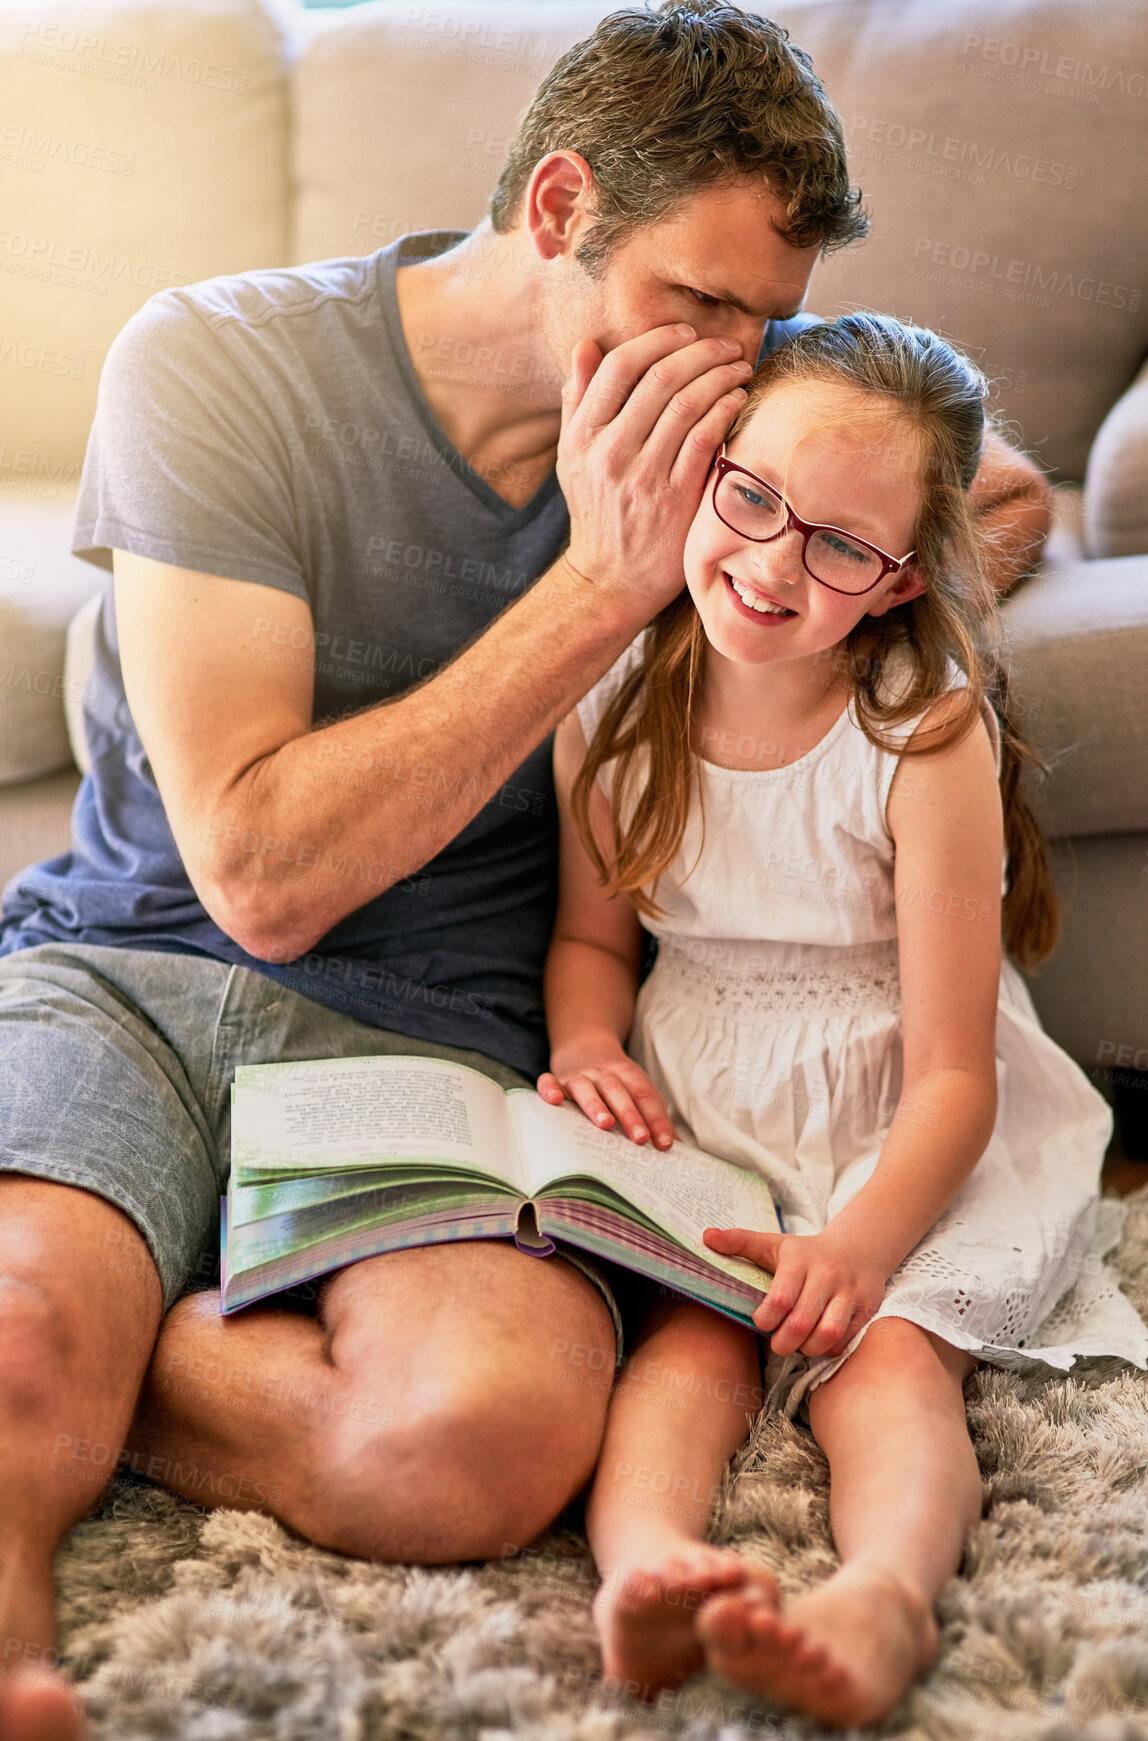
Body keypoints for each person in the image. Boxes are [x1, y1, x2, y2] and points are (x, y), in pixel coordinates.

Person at [0, 3, 1053, 1733]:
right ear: (559, 207)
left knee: (478, 1444)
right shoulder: (215, 360)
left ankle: (131, 1306)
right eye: (699, 305)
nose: (734, 364)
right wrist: (607, 588)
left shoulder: (727, 456)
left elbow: (984, 497)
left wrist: (825, 609)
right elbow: (262, 875)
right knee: (27, 1330)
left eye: (767, 322)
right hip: (133, 968)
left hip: (441, 1020)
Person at [535, 313, 1148, 1730]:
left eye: (840, 547)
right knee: (686, 1345)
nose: (770, 562)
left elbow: (953, 1072)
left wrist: (861, 1246)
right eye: (751, 496)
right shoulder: (613, 693)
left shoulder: (921, 730)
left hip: (908, 1120)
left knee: (884, 1366)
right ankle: (650, 1568)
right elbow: (587, 937)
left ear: (896, 582)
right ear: (705, 470)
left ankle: (882, 1589)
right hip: (708, 1096)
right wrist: (586, 1043)